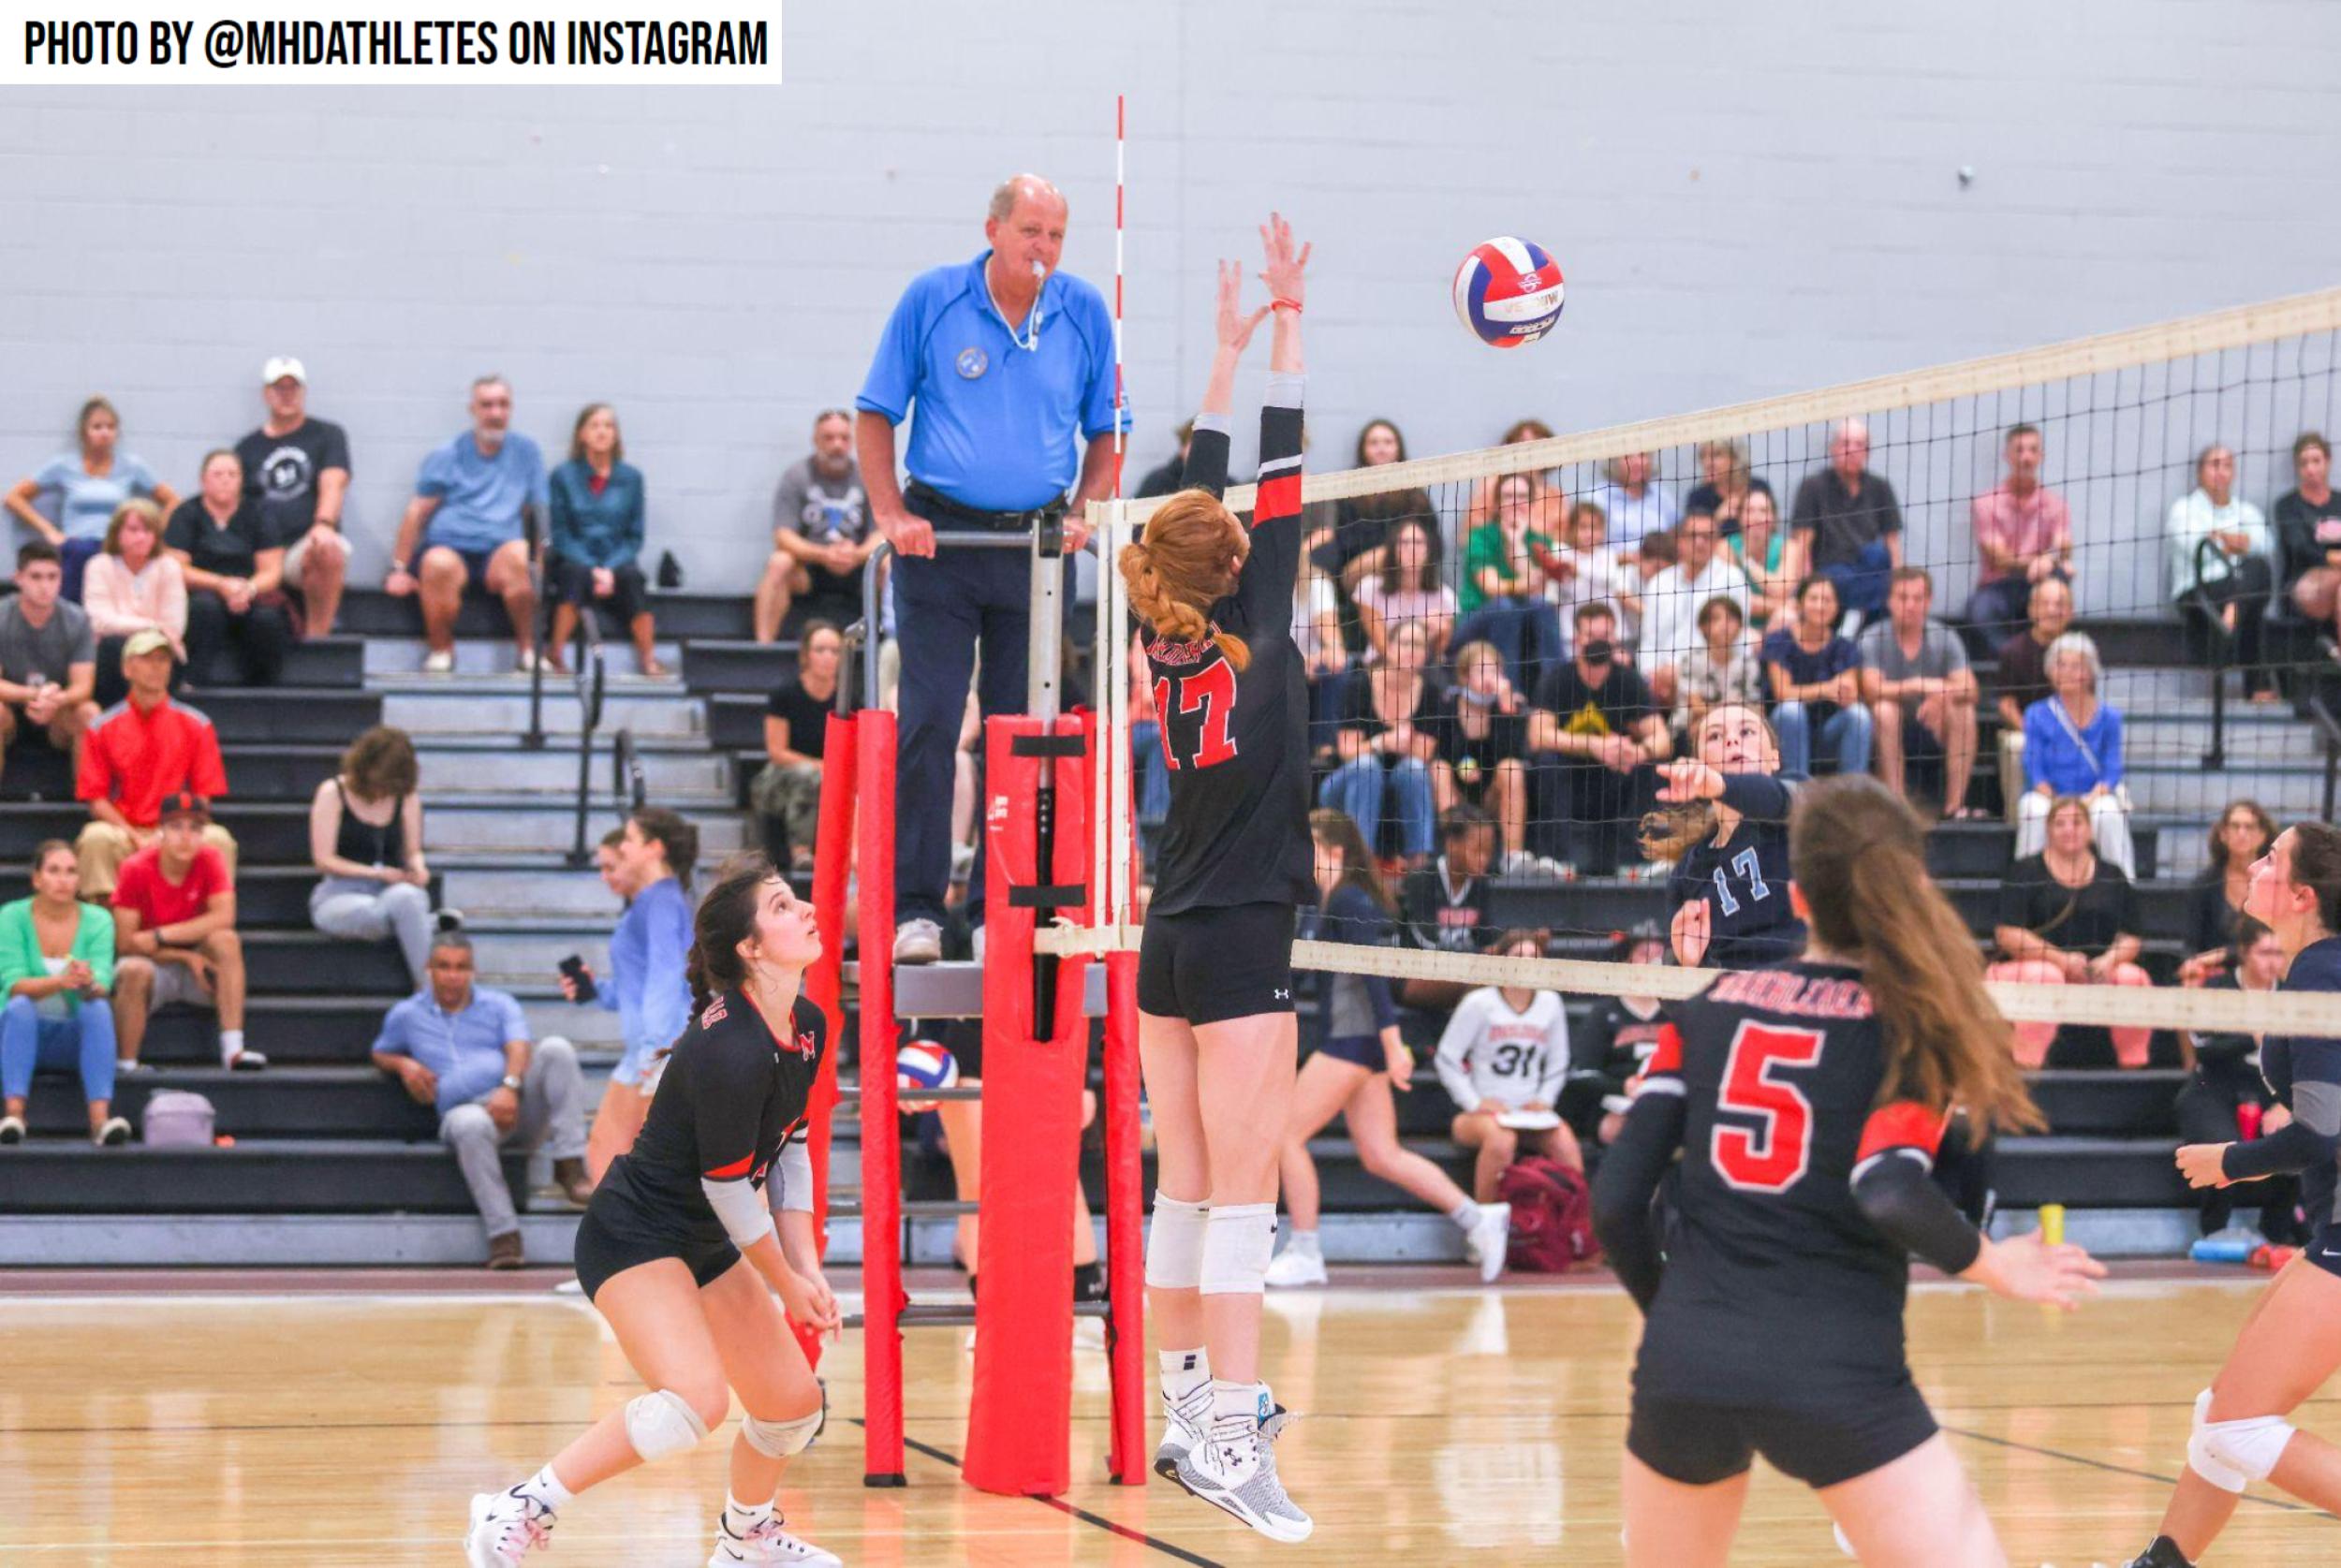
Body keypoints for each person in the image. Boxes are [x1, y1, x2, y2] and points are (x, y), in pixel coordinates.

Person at [1593, 775, 2102, 1568]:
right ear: (1912, 882)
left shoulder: (1707, 1004)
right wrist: (1995, 1263)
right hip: (1837, 1367)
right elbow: (1886, 1185)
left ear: (1798, 897)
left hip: (1688, 1363)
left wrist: (1679, 1316)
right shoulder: (1913, 1021)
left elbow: (1615, 1203)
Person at [460, 860, 837, 1567]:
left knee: (791, 1404)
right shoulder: (729, 1048)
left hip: (703, 1238)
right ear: (751, 947)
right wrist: (786, 1283)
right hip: (634, 1234)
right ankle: (520, 1506)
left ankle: (746, 1540)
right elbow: (730, 1191)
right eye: (784, 906)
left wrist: (806, 1266)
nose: (808, 908)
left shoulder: (806, 1024)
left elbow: (790, 1149)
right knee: (694, 1401)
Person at [1119, 218, 1314, 1540]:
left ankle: (1188, 1408)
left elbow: (1205, 487)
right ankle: (1233, 1439)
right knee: (1239, 1199)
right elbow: (1278, 464)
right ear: (1236, 559)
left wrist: (1230, 354)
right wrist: (1285, 323)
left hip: (1170, 937)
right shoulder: (1258, 629)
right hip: (1241, 938)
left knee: (1184, 1187)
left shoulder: (1169, 627)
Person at [858, 174, 1120, 965]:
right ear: (993, 229)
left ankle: (998, 911)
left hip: (1035, 549)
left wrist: (1085, 511)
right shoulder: (933, 298)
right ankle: (917, 910)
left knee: (1021, 733)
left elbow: (1108, 430)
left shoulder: (1083, 310)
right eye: (1031, 230)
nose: (1044, 248)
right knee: (932, 722)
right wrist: (891, 515)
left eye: (1056, 235)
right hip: (940, 541)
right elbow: (875, 412)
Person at [2129, 822, 2341, 1568]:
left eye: (2271, 857)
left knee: (2236, 1426)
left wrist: (2230, 1161)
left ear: (2303, 894)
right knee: (2222, 1412)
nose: (2254, 864)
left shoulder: (2322, 974)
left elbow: (2320, 1131)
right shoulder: (2313, 967)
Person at [1264, 811, 1510, 1289]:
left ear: (1334, 852)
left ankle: (1306, 1250)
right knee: (1381, 1154)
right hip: (1355, 1041)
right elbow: (1304, 972)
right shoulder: (1323, 902)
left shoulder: (1349, 900)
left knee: (1285, 1137)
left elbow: (1374, 977)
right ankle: (1478, 1218)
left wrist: (1393, 1044)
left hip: (1352, 1040)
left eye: (1310, 849)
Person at [376, 932, 589, 1276]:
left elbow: (520, 1045)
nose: (453, 975)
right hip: (466, 1113)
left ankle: (569, 1164)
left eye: (461, 967)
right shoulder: (407, 1014)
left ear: (472, 970)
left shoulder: (499, 1004)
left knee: (556, 1049)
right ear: (429, 969)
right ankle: (504, 1235)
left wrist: (509, 1087)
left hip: (516, 1106)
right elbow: (381, 1051)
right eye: (444, 966)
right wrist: (404, 1065)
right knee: (470, 1123)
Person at [568, 808, 698, 1184]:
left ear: (655, 848)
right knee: (611, 1171)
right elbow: (639, 988)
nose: (622, 847)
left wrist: (655, 1052)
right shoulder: (653, 901)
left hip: (656, 1054)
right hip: (647, 1054)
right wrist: (595, 990)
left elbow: (667, 978)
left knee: (627, 1176)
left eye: (629, 839)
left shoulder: (662, 901)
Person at [387, 376, 546, 675]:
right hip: (451, 545)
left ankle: (529, 652)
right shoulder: (448, 454)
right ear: (473, 409)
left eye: (503, 405)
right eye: (487, 405)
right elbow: (417, 510)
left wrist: (541, 561)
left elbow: (538, 512)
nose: (495, 413)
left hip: (500, 550)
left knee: (521, 556)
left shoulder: (527, 452)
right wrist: (399, 568)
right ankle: (441, 651)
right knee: (437, 563)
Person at [1990, 794, 2156, 1068]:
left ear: (2090, 830)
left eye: (2077, 823)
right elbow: (2007, 934)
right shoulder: (2025, 871)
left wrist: (2108, 961)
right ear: (2048, 830)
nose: (2069, 830)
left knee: (2133, 978)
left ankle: (2133, 1069)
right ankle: (2027, 1067)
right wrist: (2062, 961)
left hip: (2095, 971)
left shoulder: (2112, 874)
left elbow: (2132, 937)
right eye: (2060, 824)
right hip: (2029, 970)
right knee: (2047, 976)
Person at [74, 630, 236, 901]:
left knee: (218, 839)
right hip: (124, 831)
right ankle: (106, 921)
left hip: (178, 826)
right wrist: (134, 835)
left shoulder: (197, 724)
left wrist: (170, 832)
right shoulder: (102, 727)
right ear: (127, 668)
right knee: (96, 838)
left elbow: (202, 797)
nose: (156, 667)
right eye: (147, 659)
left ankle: (215, 917)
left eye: (163, 659)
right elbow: (96, 799)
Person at [110, 792, 261, 1074]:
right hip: (154, 966)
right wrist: (184, 957)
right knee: (132, 970)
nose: (186, 836)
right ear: (160, 831)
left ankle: (233, 1049)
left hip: (199, 970)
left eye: (195, 828)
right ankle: (127, 1064)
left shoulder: (210, 858)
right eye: (176, 827)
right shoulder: (135, 868)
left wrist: (159, 935)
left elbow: (224, 917)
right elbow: (126, 943)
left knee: (226, 940)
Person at [1644, 703, 1803, 971]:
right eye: (1715, 736)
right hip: (1730, 991)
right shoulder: (1688, 871)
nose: (1731, 740)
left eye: (1747, 732)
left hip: (1799, 982)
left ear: (1774, 758)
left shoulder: (1798, 802)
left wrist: (1720, 785)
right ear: (1700, 763)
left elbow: (1780, 798)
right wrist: (1688, 963)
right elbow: (1677, 981)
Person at [2175, 917, 2302, 1247]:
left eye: (2279, 954)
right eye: (2264, 953)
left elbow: (2307, 1058)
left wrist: (2284, 1105)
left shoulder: (2292, 994)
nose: (2272, 962)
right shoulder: (2218, 990)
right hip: (2215, 1086)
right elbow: (2204, 1049)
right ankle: (2214, 1232)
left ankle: (2276, 1235)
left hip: (2272, 1089)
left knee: (2299, 1135)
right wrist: (2253, 1037)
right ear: (2244, 953)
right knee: (2220, 1146)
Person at [1527, 601, 1671, 877]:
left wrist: (1637, 751)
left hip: (1615, 778)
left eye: (1605, 635)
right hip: (1569, 778)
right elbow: (1537, 735)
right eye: (1591, 635)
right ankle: (1555, 859)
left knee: (1650, 767)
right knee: (1546, 762)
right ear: (1576, 638)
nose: (1598, 642)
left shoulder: (1629, 681)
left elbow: (1662, 739)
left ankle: (1636, 862)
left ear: (1615, 638)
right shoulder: (1557, 679)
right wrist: (1593, 745)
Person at [1436, 929, 1580, 1203]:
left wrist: (1544, 1099)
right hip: (1481, 1114)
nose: (1525, 963)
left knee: (1565, 1141)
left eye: (1533, 957)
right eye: (1518, 956)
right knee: (1502, 1140)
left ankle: (1576, 1222)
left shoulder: (1550, 1003)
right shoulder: (1479, 1003)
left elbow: (1559, 1060)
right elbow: (1446, 1058)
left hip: (1530, 1113)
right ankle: (1486, 1220)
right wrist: (1474, 1102)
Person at [0, 840, 123, 1147]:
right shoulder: (11, 916)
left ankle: (100, 1122)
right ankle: (13, 1115)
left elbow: (103, 982)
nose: (63, 879)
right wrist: (61, 981)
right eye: (54, 871)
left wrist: (88, 983)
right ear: (36, 879)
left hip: (72, 1041)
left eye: (71, 871)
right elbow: (13, 983)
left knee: (98, 1009)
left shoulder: (99, 920)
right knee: (19, 1006)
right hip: (16, 1035)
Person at [5, 396, 176, 603]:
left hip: (115, 548)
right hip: (76, 546)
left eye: (110, 427)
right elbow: (14, 498)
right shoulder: (64, 465)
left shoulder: (131, 466)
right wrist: (49, 530)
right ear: (84, 432)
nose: (105, 433)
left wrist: (151, 534)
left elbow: (172, 501)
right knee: (75, 569)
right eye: (97, 427)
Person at [234, 356, 350, 639]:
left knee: (329, 547)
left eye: (293, 388)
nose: (287, 395)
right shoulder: (247, 448)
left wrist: (324, 524)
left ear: (303, 391)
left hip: (304, 544)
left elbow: (334, 482)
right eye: (279, 388)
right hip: (264, 552)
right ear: (266, 394)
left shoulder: (327, 435)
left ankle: (317, 642)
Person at [309, 726, 434, 989]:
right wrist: (376, 873)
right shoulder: (333, 792)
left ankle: (429, 990)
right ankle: (430, 939)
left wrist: (419, 869)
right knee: (409, 913)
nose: (382, 790)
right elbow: (324, 859)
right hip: (341, 894)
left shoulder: (406, 797)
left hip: (391, 892)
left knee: (408, 898)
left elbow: (413, 851)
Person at [546, 404, 662, 677]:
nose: (602, 432)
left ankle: (649, 660)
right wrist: (593, 569)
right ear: (581, 434)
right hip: (575, 557)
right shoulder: (563, 476)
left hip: (616, 560)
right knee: (574, 575)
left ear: (616, 435)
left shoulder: (632, 478)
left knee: (633, 578)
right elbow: (560, 534)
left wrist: (609, 569)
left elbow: (635, 536)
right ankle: (556, 655)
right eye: (595, 425)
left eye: (609, 426)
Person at [1859, 567, 1980, 817]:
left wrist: (1941, 697)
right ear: (1890, 601)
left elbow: (1971, 689)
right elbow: (1871, 690)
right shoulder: (1872, 637)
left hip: (1936, 724)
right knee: (1884, 710)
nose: (1911, 605)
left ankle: (1955, 806)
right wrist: (1919, 685)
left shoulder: (1945, 636)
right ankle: (1897, 805)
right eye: (1903, 598)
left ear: (1929, 601)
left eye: (1918, 598)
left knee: (1965, 711)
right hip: (1885, 728)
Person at [1319, 617, 1440, 867]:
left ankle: (1420, 866)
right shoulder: (1359, 686)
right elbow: (1347, 751)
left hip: (1399, 786)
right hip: (1345, 785)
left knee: (1414, 769)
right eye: (1405, 643)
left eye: (1418, 645)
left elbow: (1423, 753)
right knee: (1367, 766)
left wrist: (1401, 745)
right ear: (1390, 647)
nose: (1411, 650)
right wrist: (1382, 743)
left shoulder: (1431, 693)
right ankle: (1360, 865)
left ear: (1426, 654)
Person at [164, 449, 289, 688]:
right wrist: (220, 584)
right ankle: (192, 681)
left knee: (268, 619)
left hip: (248, 593)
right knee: (205, 608)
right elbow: (176, 568)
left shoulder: (259, 513)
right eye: (218, 474)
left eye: (232, 474)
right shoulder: (186, 514)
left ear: (241, 480)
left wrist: (248, 589)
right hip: (202, 591)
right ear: (203, 480)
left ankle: (262, 688)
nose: (225, 480)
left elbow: (272, 570)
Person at [2016, 630, 2134, 877]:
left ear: (2090, 672)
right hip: (2049, 797)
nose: (2067, 672)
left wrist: (2085, 803)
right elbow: (2033, 767)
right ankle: (2026, 883)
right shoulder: (2036, 714)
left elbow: (2112, 769)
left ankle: (2124, 884)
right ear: (2050, 671)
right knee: (2033, 811)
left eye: (2076, 666)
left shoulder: (2110, 718)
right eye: (2060, 665)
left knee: (2109, 814)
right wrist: (2058, 804)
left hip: (2093, 797)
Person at [2167, 443, 2277, 702]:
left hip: (2234, 590)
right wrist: (2239, 542)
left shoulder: (2246, 510)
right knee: (2253, 592)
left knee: (2259, 567)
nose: (2221, 472)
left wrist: (2220, 537)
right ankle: (2259, 687)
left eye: (2227, 465)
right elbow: (2198, 549)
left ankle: (2232, 614)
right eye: (2214, 465)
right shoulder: (2183, 509)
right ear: (2200, 472)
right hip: (2198, 593)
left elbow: (2266, 544)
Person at [757, 410, 876, 646]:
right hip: (810, 568)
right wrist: (824, 554)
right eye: (829, 438)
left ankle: (896, 645)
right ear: (815, 440)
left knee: (890, 564)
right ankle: (763, 646)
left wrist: (856, 554)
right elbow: (783, 536)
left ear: (852, 441)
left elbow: (882, 534)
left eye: (844, 438)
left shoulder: (869, 477)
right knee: (779, 562)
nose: (837, 445)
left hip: (858, 568)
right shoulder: (796, 476)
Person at [1559, 925, 1671, 1157]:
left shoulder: (1675, 1012)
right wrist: (1623, 1087)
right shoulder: (1605, 1013)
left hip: (1664, 1101)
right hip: (1615, 1103)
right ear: (1627, 960)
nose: (1653, 962)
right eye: (1644, 954)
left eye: (1659, 955)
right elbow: (1584, 1074)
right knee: (1627, 1129)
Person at [1963, 423, 2072, 656]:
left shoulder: (2056, 504)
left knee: (2060, 579)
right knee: (1979, 611)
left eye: (2033, 450)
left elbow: (2064, 547)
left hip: (2039, 583)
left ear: (2041, 455)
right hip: (1998, 586)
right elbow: (1999, 558)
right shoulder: (1986, 503)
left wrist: (2050, 560)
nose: (2026, 457)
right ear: (2007, 456)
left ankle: (2050, 657)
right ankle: (2013, 659)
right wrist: (2042, 559)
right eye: (2019, 450)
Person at [0, 541, 98, 787]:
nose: (45, 586)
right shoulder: (1, 617)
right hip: (11, 712)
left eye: (52, 577)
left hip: (58, 713)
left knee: (90, 713)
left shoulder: (77, 620)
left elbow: (83, 686)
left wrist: (56, 700)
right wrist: (34, 695)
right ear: (19, 579)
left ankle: (90, 803)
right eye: (36, 577)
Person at [1430, 640, 1534, 872]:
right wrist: (1463, 766)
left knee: (1512, 769)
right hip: (1458, 791)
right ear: (1465, 675)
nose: (1490, 678)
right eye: (1482, 671)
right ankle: (1452, 854)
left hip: (1491, 793)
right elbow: (1443, 751)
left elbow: (1513, 752)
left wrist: (1506, 709)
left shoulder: (1510, 706)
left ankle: (1512, 856)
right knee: (1439, 769)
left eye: (1495, 671)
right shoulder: (1448, 704)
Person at [1789, 418, 1903, 627]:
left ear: (1867, 452)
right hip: (1832, 570)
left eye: (1859, 445)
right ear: (1833, 449)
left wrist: (1899, 585)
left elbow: (1893, 544)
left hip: (1869, 569)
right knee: (1849, 580)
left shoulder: (1880, 487)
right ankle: (1857, 615)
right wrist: (1805, 588)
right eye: (1845, 443)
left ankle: (1855, 615)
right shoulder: (1812, 487)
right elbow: (1802, 544)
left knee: (1879, 558)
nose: (1851, 451)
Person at [1452, 472, 1562, 687]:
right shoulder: (1480, 537)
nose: (1515, 502)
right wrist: (1524, 584)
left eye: (1521, 496)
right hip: (1477, 621)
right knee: (1505, 606)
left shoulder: (1541, 541)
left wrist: (1517, 544)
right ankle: (1510, 692)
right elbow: (1491, 587)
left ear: (1531, 503)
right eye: (1508, 496)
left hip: (1522, 620)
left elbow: (1537, 592)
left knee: (1543, 605)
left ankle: (1556, 690)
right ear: (1497, 503)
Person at [1639, 505, 1751, 711]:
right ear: (1679, 541)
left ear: (1716, 542)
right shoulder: (1660, 582)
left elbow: (1738, 640)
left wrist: (1682, 674)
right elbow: (1648, 641)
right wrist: (1653, 674)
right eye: (1692, 536)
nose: (1699, 543)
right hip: (1659, 681)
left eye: (1707, 537)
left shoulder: (1732, 579)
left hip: (1711, 679)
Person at [749, 621, 840, 872]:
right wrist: (820, 766)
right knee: (810, 776)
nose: (828, 657)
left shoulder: (847, 699)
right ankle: (800, 851)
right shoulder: (786, 694)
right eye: (820, 650)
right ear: (805, 655)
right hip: (780, 776)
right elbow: (776, 752)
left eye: (835, 651)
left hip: (827, 774)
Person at [81, 499, 187, 709]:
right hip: (112, 654)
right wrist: (151, 625)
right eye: (133, 530)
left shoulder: (169, 567)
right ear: (117, 533)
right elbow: (99, 621)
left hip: (160, 649)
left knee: (156, 654)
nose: (141, 537)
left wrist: (132, 627)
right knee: (113, 646)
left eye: (148, 531)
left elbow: (174, 626)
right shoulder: (99, 565)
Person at [1313, 419, 1437, 599]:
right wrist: (1386, 553)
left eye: (1388, 442)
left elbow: (1433, 540)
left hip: (1409, 565)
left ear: (1399, 447)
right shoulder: (1347, 491)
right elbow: (1344, 542)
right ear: (1363, 449)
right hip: (1358, 570)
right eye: (1374, 443)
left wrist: (1400, 550)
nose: (1381, 448)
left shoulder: (1415, 495)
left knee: (1404, 550)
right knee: (1386, 555)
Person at [1763, 576, 1872, 780]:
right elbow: (1783, 693)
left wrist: (1835, 691)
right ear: (1800, 603)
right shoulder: (1779, 641)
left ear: (1837, 606)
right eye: (1813, 598)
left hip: (1827, 732)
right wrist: (1826, 689)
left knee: (1859, 715)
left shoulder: (1844, 647)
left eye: (1827, 600)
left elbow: (1848, 694)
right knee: (1791, 710)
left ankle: (1854, 789)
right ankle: (1795, 787)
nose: (1820, 606)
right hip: (1784, 732)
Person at [1992, 576, 2073, 825]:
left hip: (2072, 731)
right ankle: (2020, 822)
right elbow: (2006, 704)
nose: (2052, 610)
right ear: (2031, 610)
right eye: (2045, 604)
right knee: (2020, 746)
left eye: (2059, 604)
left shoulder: (2079, 651)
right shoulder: (2013, 651)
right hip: (2027, 730)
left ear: (2070, 612)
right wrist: (2033, 730)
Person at [2181, 799, 2278, 985]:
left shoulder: (2275, 883)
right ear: (2223, 834)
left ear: (2262, 835)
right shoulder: (2204, 884)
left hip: (2265, 970)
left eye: (2249, 827)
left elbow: (2277, 943)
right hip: (2213, 973)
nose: (2242, 833)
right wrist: (2193, 965)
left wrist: (2223, 954)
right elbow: (2190, 944)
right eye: (2235, 826)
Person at [1350, 516, 1453, 665]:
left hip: (1423, 669)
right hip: (1381, 666)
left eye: (1418, 543)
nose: (1412, 549)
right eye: (1404, 543)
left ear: (1428, 550)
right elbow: (1382, 646)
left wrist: (1439, 633)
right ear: (1393, 550)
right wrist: (1420, 625)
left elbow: (1438, 654)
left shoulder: (1444, 596)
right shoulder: (1369, 588)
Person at [1545, 497, 1636, 660]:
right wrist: (1560, 572)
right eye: (1583, 527)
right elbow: (1554, 594)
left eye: (1595, 528)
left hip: (1609, 633)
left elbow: (1607, 577)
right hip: (1572, 633)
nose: (1589, 533)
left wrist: (1578, 570)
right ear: (1571, 529)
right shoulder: (1561, 553)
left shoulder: (1607, 555)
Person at [2274, 431, 2341, 651]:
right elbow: (2300, 547)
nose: (2311, 469)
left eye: (2316, 461)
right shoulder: (2287, 505)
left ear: (2328, 461)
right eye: (2304, 463)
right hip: (2303, 585)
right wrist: (2333, 558)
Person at [1672, 594, 1763, 743]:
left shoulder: (1748, 664)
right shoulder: (1691, 660)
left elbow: (1757, 708)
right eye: (1716, 619)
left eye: (1731, 619)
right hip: (1690, 729)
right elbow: (1695, 707)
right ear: (1703, 626)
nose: (1724, 625)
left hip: (1737, 728)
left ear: (1740, 626)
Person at [1725, 487, 1794, 631]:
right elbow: (1735, 600)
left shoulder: (1789, 547)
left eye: (1764, 511)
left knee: (1786, 617)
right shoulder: (1726, 547)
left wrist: (1748, 562)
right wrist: (1782, 604)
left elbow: (1781, 590)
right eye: (1750, 511)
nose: (1757, 517)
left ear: (1774, 518)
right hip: (1737, 625)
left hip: (1775, 626)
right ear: (1740, 517)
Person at [1685, 437, 1774, 538]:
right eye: (1703, 456)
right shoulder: (1698, 497)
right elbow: (1692, 540)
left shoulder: (1758, 487)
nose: (1707, 463)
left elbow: (1772, 530)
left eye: (1716, 455)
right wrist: (1716, 520)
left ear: (1735, 458)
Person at [1592, 450, 1678, 550]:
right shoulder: (1597, 497)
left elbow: (1674, 536)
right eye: (1628, 457)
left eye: (1642, 455)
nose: (1637, 462)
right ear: (1614, 462)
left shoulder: (1662, 495)